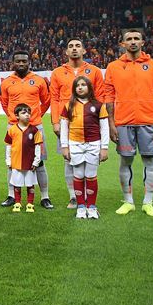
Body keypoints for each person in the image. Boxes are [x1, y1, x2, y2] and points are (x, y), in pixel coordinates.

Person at [104, 29, 153, 217]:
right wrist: (111, 123)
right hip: (123, 122)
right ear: (122, 44)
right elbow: (109, 96)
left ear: (142, 42)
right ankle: (128, 201)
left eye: (136, 39)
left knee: (150, 160)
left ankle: (148, 202)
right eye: (129, 39)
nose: (133, 42)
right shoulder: (113, 67)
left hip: (149, 121)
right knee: (126, 160)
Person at [49, 38, 105, 208]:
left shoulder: (94, 71)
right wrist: (55, 122)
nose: (74, 49)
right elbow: (54, 98)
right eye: (71, 46)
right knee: (69, 159)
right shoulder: (57, 72)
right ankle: (74, 196)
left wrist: (98, 120)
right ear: (66, 52)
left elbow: (100, 97)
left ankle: (88, 196)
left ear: (84, 51)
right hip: (66, 123)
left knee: (90, 160)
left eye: (78, 46)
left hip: (89, 122)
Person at [0, 50, 53, 209]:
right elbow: (4, 103)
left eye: (24, 61)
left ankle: (45, 197)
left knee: (40, 162)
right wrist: (14, 118)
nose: (21, 64)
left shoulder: (39, 80)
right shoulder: (7, 82)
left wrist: (36, 116)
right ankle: (11, 195)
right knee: (12, 162)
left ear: (29, 62)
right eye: (18, 61)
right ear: (13, 63)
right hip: (13, 127)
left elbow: (46, 101)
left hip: (35, 127)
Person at [60, 77, 109, 219]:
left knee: (91, 175)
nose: (80, 87)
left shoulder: (99, 105)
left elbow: (104, 128)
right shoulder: (68, 106)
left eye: (83, 85)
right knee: (78, 174)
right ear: (74, 89)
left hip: (93, 144)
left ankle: (91, 206)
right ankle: (81, 206)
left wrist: (104, 147)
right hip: (75, 144)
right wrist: (65, 146)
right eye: (77, 85)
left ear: (89, 87)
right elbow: (64, 128)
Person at [4, 103, 44, 213]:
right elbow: (8, 146)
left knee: (30, 184)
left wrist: (36, 161)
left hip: (30, 163)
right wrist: (8, 160)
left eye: (29, 113)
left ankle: (30, 203)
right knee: (17, 183)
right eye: (23, 113)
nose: (27, 115)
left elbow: (37, 147)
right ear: (17, 116)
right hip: (16, 162)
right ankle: (17, 202)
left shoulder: (34, 130)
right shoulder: (12, 130)